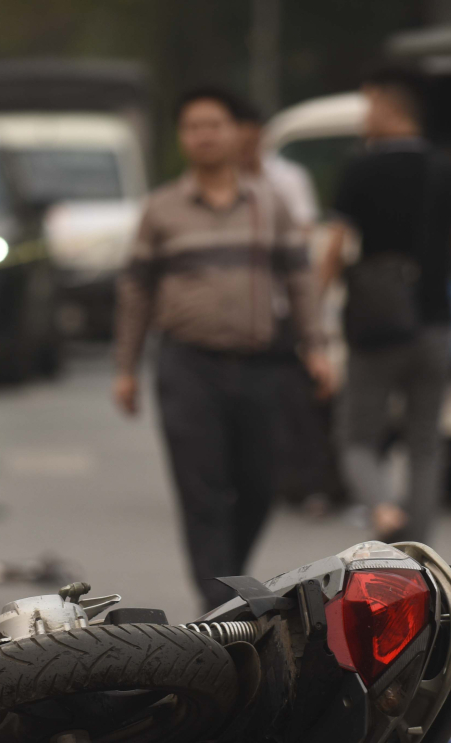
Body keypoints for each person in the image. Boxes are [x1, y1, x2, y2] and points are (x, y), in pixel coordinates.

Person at [113, 87, 332, 610]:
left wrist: (316, 346)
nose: (205, 135)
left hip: (261, 364)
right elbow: (136, 289)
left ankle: (226, 583)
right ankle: (218, 606)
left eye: (215, 124)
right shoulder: (162, 209)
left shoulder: (269, 204)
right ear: (182, 138)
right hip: (188, 365)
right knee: (201, 491)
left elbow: (300, 279)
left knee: (259, 484)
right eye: (193, 127)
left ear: (237, 133)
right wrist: (126, 368)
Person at [316, 65, 451, 544]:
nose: (363, 117)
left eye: (368, 106)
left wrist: (312, 318)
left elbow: (331, 252)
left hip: (376, 327)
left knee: (356, 439)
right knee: (425, 443)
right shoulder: (448, 171)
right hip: (436, 324)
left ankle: (383, 509)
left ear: (388, 110)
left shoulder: (360, 170)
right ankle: (421, 546)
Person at [231, 97, 336, 513]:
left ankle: (311, 484)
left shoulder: (287, 179)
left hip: (281, 306)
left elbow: (303, 237)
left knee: (297, 398)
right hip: (237, 311)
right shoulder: (220, 184)